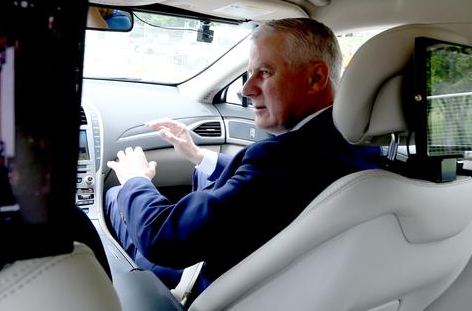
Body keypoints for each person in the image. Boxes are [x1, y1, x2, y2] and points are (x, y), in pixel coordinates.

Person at [105, 18, 381, 299]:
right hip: (283, 288)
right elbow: (262, 190)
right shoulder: (364, 149)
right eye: (249, 73)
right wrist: (199, 156)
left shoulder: (281, 159)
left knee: (115, 198)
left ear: (316, 78)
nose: (246, 89)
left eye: (265, 72)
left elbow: (161, 239)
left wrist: (135, 180)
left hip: (214, 291)